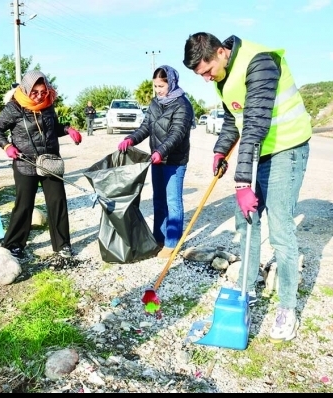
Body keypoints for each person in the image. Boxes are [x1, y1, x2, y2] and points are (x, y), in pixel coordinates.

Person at [183, 32, 312, 343]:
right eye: (200, 75)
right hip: (261, 149)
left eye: (207, 71)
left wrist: (241, 181)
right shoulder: (222, 77)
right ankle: (246, 287)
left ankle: (287, 308)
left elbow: (254, 123)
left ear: (220, 52)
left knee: (280, 225)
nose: (206, 79)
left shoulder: (260, 62)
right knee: (247, 219)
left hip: (287, 147)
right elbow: (234, 118)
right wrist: (220, 149)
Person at [0, 70, 83, 260]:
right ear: (25, 89)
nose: (39, 96)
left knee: (58, 203)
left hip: (50, 162)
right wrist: (6, 146)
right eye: (35, 92)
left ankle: (62, 245)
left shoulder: (47, 105)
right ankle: (14, 244)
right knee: (24, 205)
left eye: (43, 91)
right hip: (25, 162)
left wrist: (67, 129)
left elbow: (53, 127)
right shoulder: (14, 108)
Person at [116, 65, 194, 259]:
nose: (158, 90)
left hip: (174, 161)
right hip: (157, 159)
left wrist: (161, 151)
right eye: (155, 86)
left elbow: (177, 134)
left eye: (161, 86)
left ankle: (171, 242)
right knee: (159, 200)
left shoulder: (183, 105)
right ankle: (158, 238)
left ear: (171, 83)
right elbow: (146, 127)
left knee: (173, 201)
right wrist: (131, 139)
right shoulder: (154, 103)